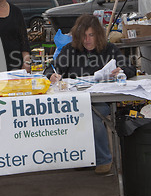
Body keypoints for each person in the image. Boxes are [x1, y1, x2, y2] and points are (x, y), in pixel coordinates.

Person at [43, 14, 136, 174]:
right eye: (83, 36)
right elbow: (51, 69)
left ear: (98, 35)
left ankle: (103, 159)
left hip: (101, 100)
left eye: (91, 35)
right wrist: (51, 75)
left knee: (92, 115)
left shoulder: (109, 49)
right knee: (75, 114)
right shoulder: (70, 50)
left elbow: (130, 68)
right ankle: (82, 156)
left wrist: (121, 70)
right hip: (75, 99)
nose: (87, 40)